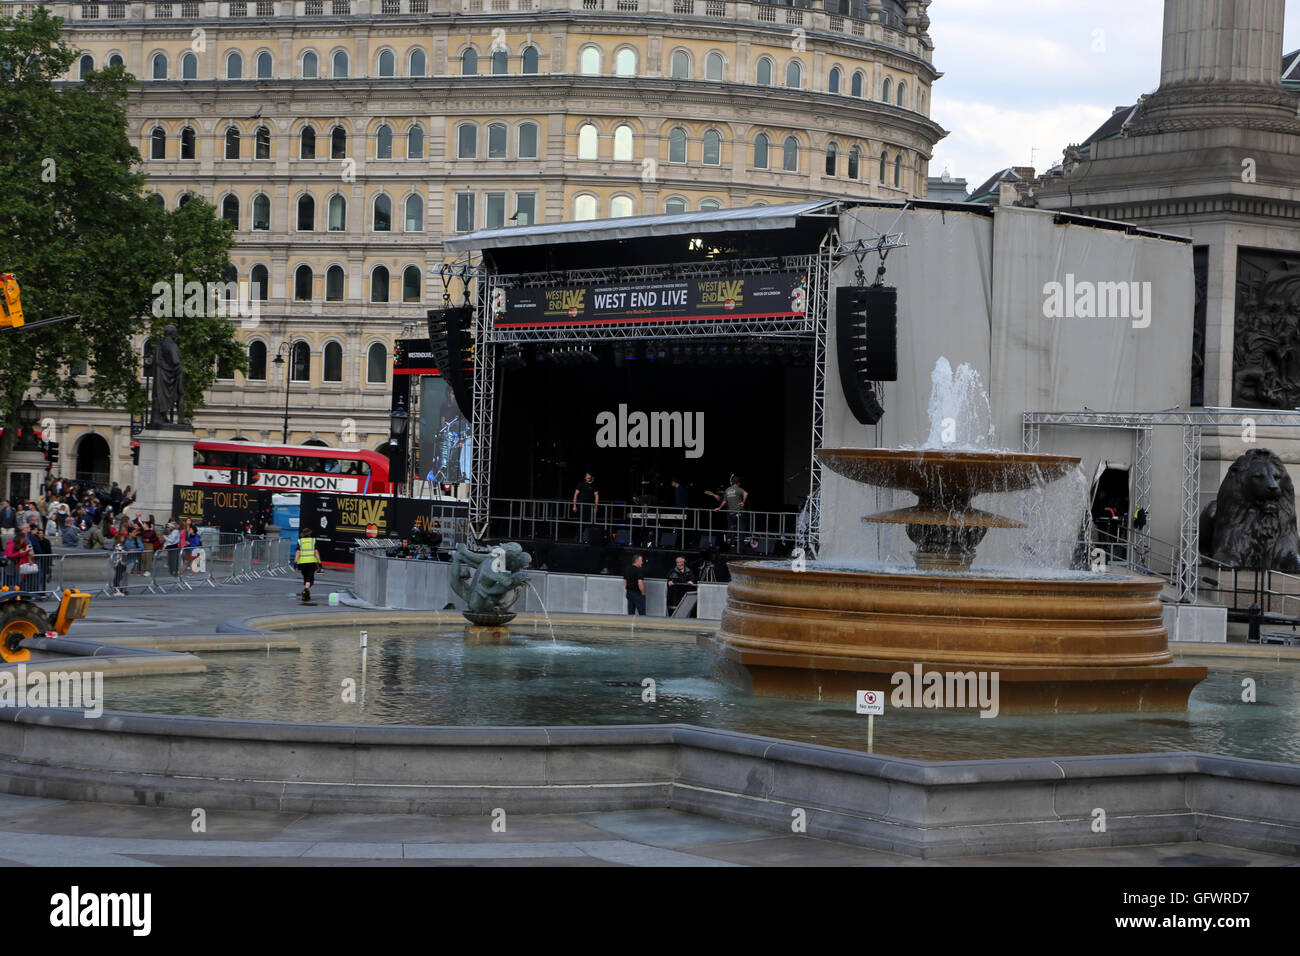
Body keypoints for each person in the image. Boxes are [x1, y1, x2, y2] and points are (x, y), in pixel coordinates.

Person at [713, 475, 749, 551]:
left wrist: (719, 508)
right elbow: (746, 493)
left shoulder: (727, 490)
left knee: (732, 528)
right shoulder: (739, 489)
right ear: (738, 483)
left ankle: (731, 546)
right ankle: (740, 549)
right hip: (740, 513)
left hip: (731, 514)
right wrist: (743, 502)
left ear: (732, 483)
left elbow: (724, 501)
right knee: (741, 531)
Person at [293, 527, 321, 602]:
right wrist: (319, 562)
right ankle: (306, 590)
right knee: (310, 578)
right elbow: (316, 552)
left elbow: (298, 552)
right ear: (310, 534)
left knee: (306, 577)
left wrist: (295, 562)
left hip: (302, 563)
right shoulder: (313, 541)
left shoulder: (300, 541)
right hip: (311, 563)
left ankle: (306, 592)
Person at [572, 471, 600, 542]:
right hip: (581, 505)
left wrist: (596, 506)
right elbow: (576, 494)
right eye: (587, 477)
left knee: (590, 522)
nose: (588, 478)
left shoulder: (594, 485)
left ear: (591, 477)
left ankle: (588, 537)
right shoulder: (581, 484)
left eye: (589, 477)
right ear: (585, 477)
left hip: (590, 506)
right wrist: (574, 505)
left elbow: (596, 495)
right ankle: (578, 536)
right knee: (580, 521)